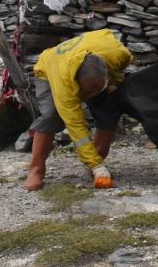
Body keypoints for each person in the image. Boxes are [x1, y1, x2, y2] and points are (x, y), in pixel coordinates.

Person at [22, 28, 132, 191]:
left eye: (96, 89)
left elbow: (124, 64)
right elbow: (76, 127)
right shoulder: (64, 85)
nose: (90, 96)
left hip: (94, 71)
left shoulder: (116, 54)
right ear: (78, 83)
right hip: (49, 69)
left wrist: (114, 81)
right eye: (87, 92)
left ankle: (97, 161)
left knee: (108, 108)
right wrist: (95, 165)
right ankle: (36, 169)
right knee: (52, 115)